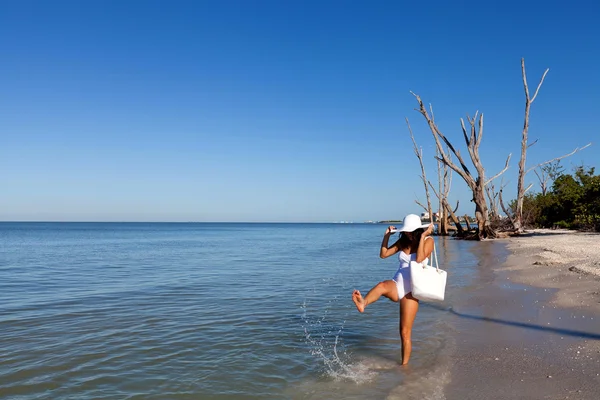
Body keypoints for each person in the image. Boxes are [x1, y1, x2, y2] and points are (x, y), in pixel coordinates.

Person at [352, 214, 434, 365]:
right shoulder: (403, 241)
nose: (407, 233)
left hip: (412, 290)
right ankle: (363, 303)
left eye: (410, 231)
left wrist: (423, 236)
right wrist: (387, 236)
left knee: (404, 333)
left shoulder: (429, 241)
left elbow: (420, 258)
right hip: (398, 283)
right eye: (406, 231)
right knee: (382, 285)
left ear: (417, 230)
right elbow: (383, 255)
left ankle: (404, 367)